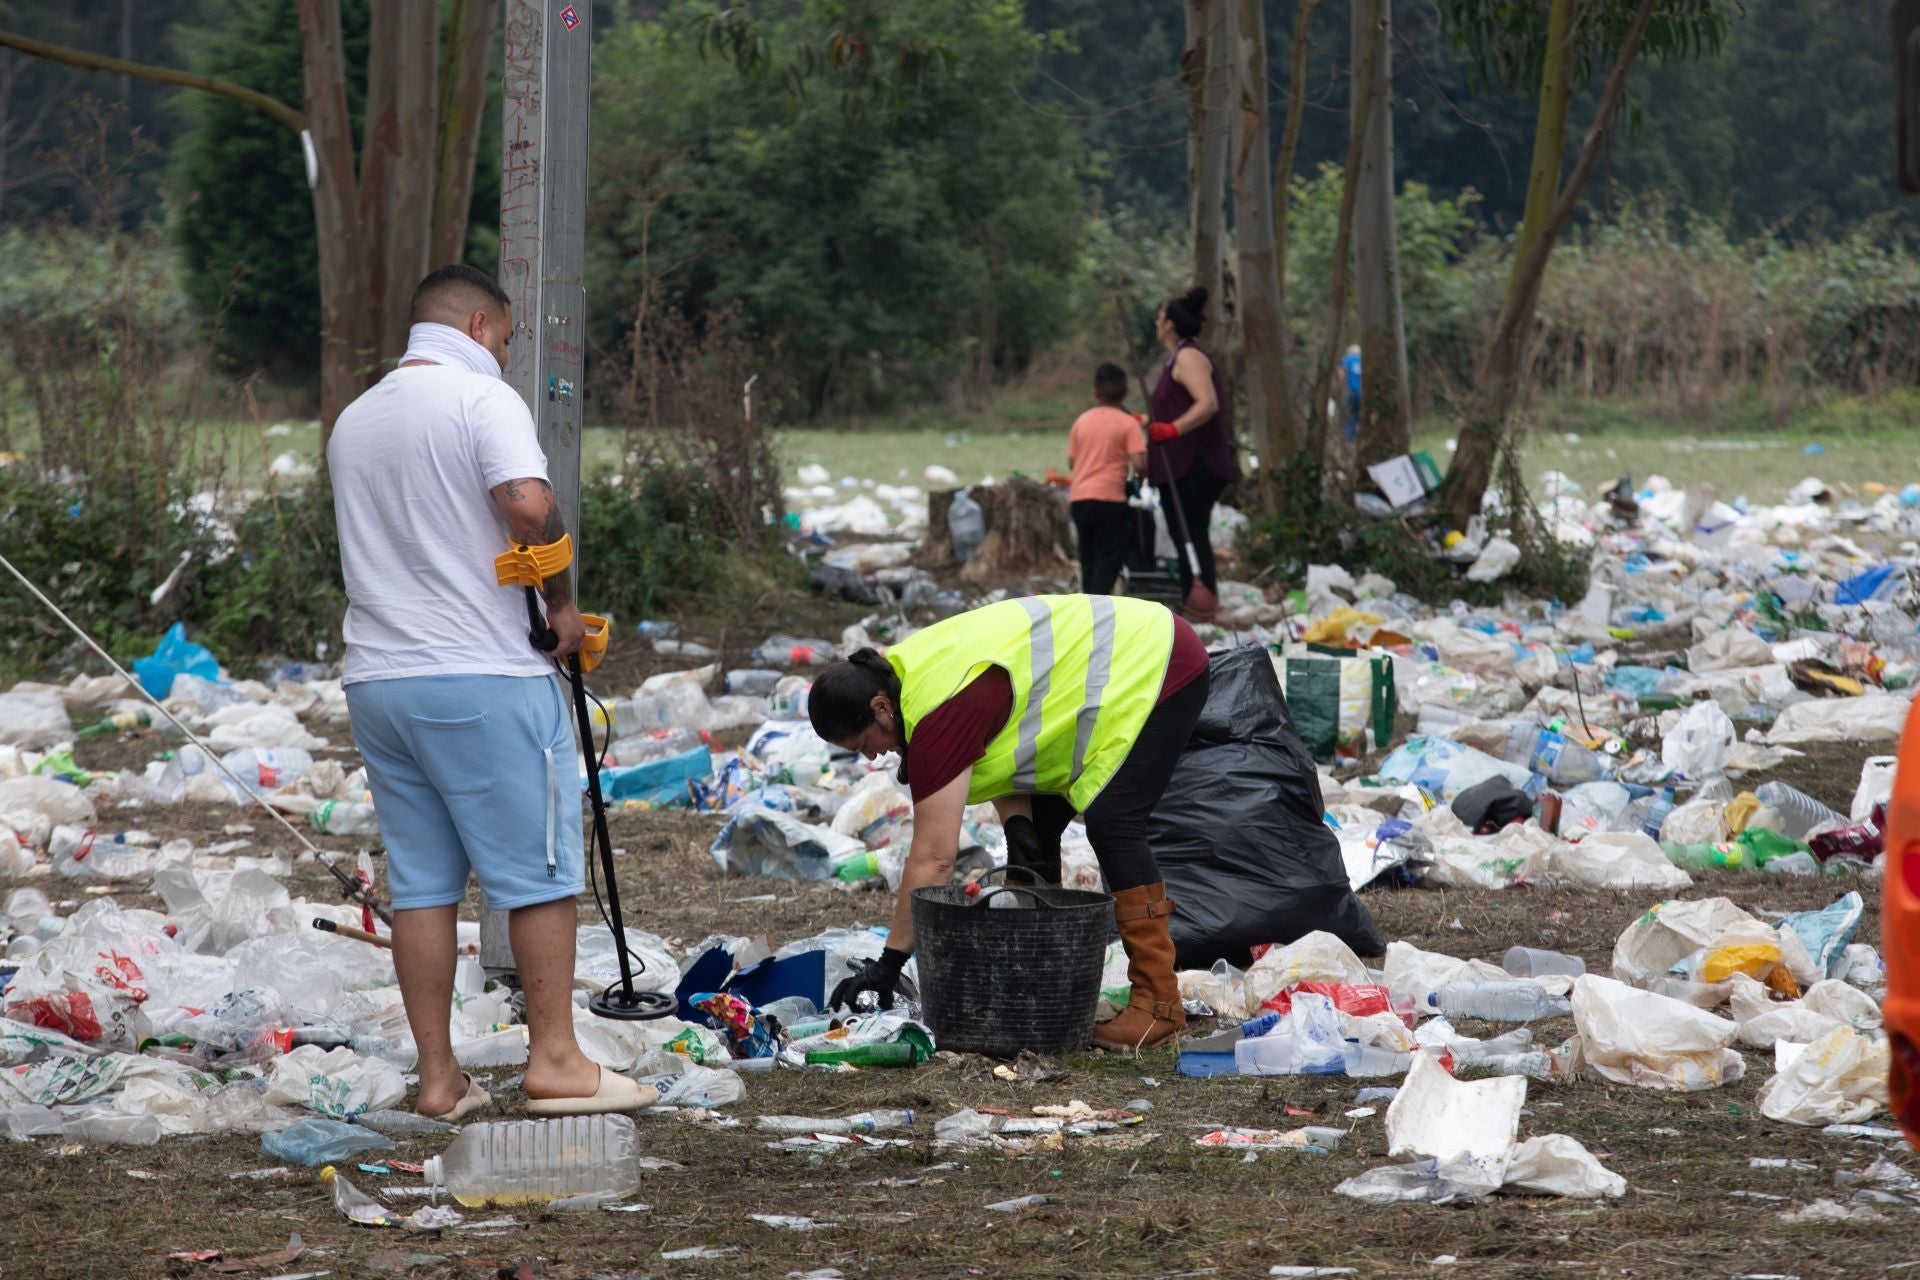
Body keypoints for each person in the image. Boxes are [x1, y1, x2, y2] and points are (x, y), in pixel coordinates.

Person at [328, 264, 655, 1120]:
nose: (507, 357)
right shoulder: (481, 398)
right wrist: (563, 607)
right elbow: (525, 502)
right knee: (540, 873)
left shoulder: (356, 419)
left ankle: (440, 1081)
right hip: (481, 674)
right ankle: (556, 1062)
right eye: (507, 341)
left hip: (380, 681)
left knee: (425, 887)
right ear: (481, 325)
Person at [807, 594, 1211, 1052]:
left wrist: (890, 962)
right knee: (1033, 840)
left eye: (866, 742)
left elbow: (934, 858)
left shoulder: (935, 713)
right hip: (1128, 660)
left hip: (1159, 664)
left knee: (1113, 823)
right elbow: (1003, 731)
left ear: (881, 708)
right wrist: (1018, 821)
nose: (873, 755)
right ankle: (1045, 994)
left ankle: (1159, 1003)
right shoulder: (905, 677)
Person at [1143, 285, 1238, 614]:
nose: (1156, 323)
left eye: (1159, 318)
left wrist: (1173, 429)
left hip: (1195, 463)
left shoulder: (1188, 356)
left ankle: (1203, 601)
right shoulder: (1174, 358)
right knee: (1184, 534)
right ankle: (1192, 602)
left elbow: (1207, 403)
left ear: (1169, 324)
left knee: (1191, 532)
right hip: (1176, 464)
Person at [1067, 362, 1147, 595]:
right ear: (1126, 392)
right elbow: (1139, 463)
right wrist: (1141, 478)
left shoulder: (1081, 421)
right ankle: (1097, 603)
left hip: (1080, 498)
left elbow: (1072, 462)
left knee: (1088, 557)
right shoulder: (1128, 423)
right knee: (1109, 556)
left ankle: (1087, 602)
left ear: (1095, 392)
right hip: (1110, 498)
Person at [1341, 344, 1363, 442]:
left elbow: (1341, 375)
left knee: (1349, 415)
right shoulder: (1364, 359)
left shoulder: (1347, 359)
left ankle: (1349, 440)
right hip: (1363, 393)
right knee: (1359, 415)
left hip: (1352, 391)